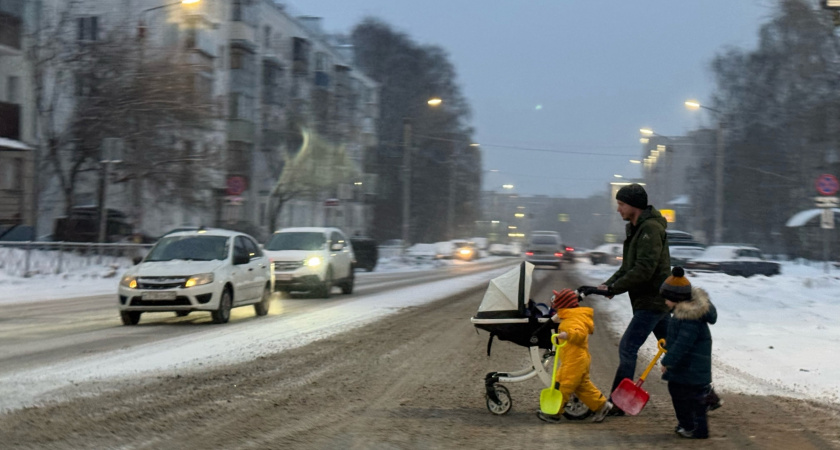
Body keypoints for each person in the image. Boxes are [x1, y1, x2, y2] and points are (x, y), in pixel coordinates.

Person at [597, 183, 672, 416]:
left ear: (634, 205)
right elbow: (627, 267)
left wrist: (615, 288)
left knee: (628, 348)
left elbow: (643, 270)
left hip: (652, 300)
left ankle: (618, 403)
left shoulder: (649, 229)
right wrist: (608, 285)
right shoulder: (636, 227)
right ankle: (705, 395)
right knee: (675, 347)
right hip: (653, 300)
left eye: (621, 204)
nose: (618, 209)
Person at [536, 289, 613, 424]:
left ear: (563, 305)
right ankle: (602, 405)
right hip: (577, 359)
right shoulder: (573, 316)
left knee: (562, 385)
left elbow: (580, 333)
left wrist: (568, 335)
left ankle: (554, 413)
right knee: (582, 386)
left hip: (574, 360)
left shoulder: (573, 319)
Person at [658, 266, 717, 440]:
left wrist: (667, 361)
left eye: (667, 299)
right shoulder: (683, 314)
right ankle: (691, 425)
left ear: (675, 298)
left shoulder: (689, 318)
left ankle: (693, 427)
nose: (665, 303)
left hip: (691, 369)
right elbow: (679, 340)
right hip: (688, 368)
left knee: (688, 397)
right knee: (687, 396)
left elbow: (683, 345)